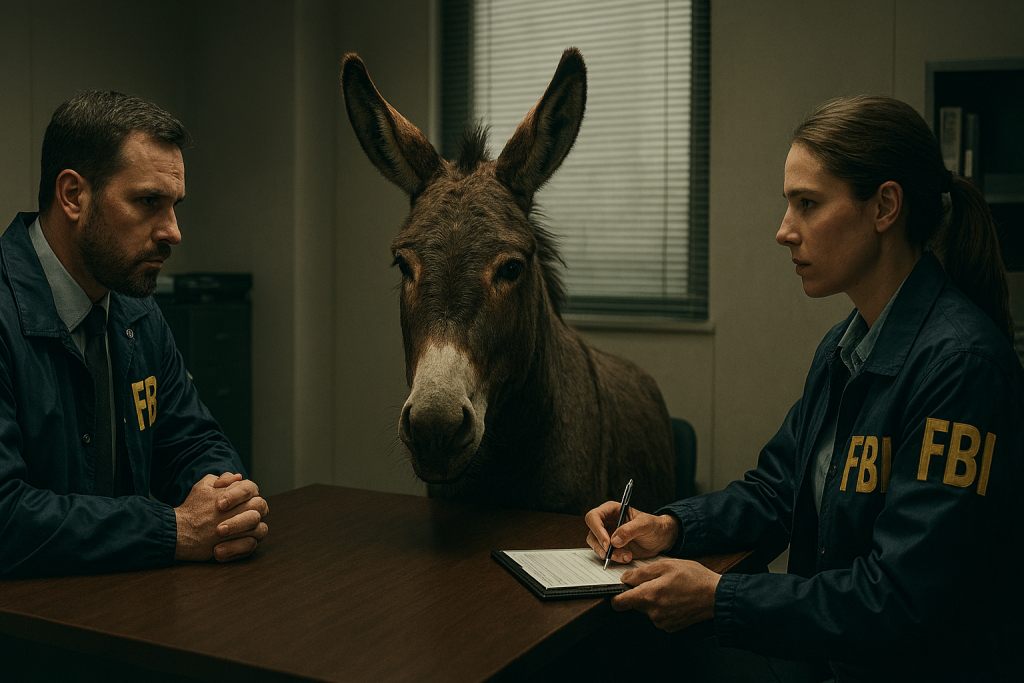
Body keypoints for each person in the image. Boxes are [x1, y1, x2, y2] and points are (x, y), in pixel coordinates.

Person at [585, 94, 1023, 682]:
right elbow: (776, 490)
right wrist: (669, 526)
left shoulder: (962, 367)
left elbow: (898, 599)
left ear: (885, 207)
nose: (784, 231)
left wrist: (721, 598)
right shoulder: (844, 347)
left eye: (808, 204)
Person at [0, 90, 268, 577]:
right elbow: (6, 518)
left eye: (174, 205)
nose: (173, 231)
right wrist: (175, 529)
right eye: (148, 202)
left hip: (118, 614)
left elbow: (190, 440)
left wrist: (227, 505)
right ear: (74, 196)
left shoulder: (136, 311)